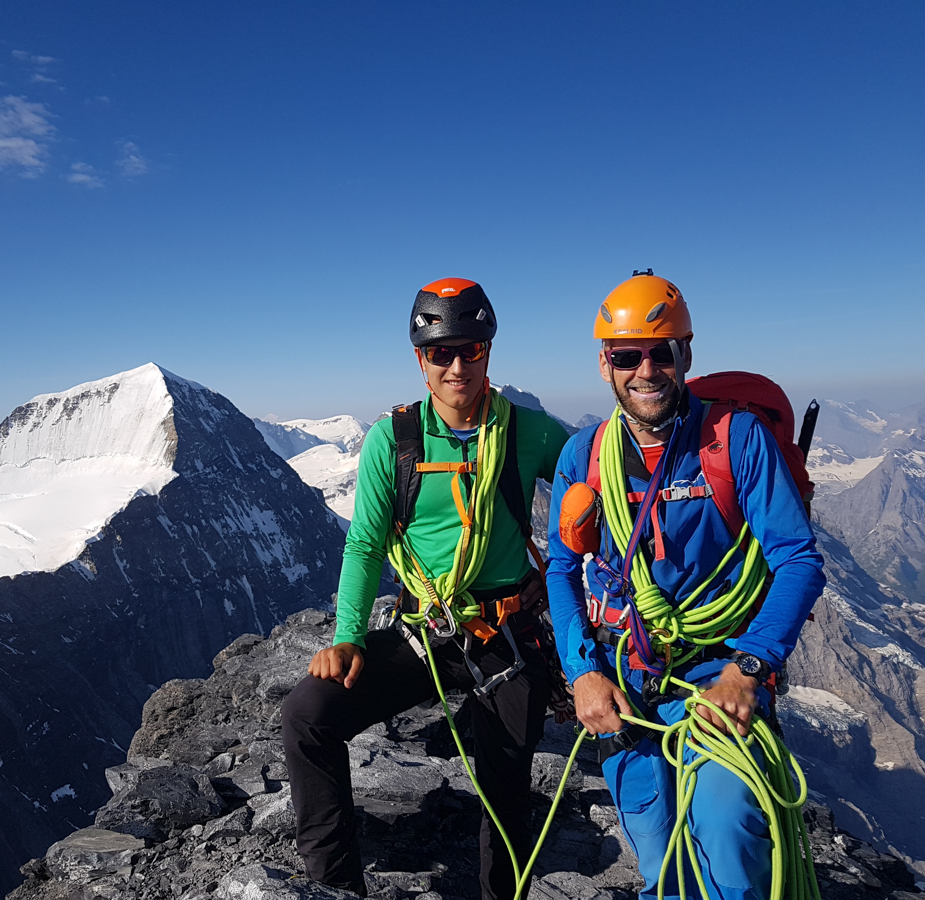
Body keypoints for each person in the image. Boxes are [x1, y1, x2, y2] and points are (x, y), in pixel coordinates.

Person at [282, 278, 570, 900]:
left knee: (506, 786)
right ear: (421, 360)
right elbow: (364, 544)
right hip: (425, 629)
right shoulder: (396, 439)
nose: (457, 365)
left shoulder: (530, 433)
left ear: (489, 351)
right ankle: (334, 888)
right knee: (308, 715)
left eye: (470, 349)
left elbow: (606, 482)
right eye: (441, 353)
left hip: (506, 633)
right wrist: (348, 638)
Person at [545, 271, 825, 900]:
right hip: (626, 684)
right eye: (626, 355)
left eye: (661, 351)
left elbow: (798, 560)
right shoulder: (583, 455)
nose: (645, 369)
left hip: (717, 675)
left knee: (726, 834)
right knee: (660, 859)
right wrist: (580, 671)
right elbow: (562, 569)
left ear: (686, 354)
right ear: (604, 364)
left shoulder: (736, 441)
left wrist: (747, 667)